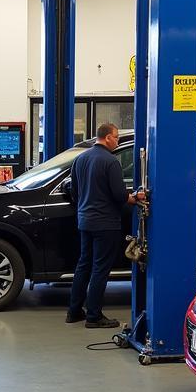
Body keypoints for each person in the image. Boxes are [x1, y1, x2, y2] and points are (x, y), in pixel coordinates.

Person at [66, 123, 145, 328]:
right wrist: (136, 197)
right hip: (105, 223)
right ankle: (94, 316)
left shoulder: (80, 159)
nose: (117, 141)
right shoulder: (111, 161)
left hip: (85, 220)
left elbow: (74, 190)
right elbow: (119, 195)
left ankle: (74, 311)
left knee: (83, 265)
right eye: (117, 137)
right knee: (100, 269)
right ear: (108, 137)